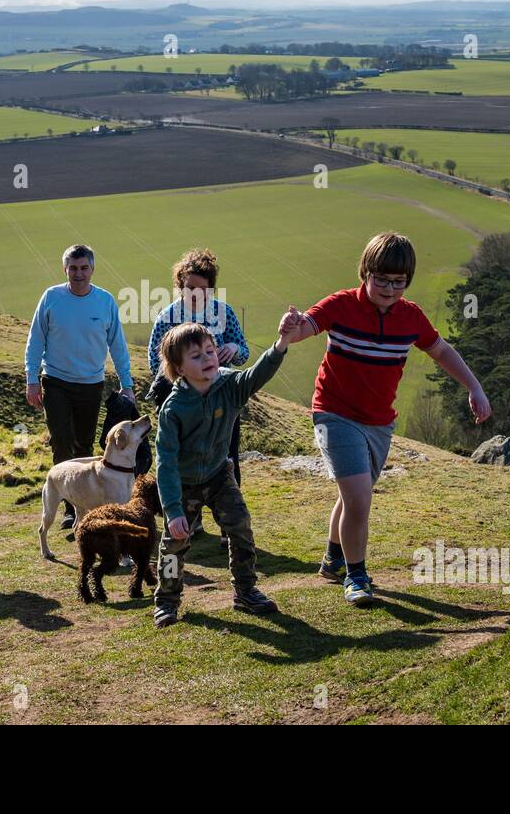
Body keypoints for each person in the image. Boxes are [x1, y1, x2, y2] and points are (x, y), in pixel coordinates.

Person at [284, 232, 491, 607]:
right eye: (382, 279)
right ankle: (356, 575)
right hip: (334, 413)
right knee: (360, 498)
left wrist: (474, 387)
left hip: (379, 422)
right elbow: (307, 327)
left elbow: (441, 350)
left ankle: (333, 557)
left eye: (399, 282)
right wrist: (292, 327)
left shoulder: (410, 317)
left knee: (352, 496)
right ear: (365, 272)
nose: (390, 289)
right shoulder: (341, 305)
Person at [150, 313, 299, 628]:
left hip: (219, 475)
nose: (207, 358)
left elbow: (258, 374)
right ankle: (167, 601)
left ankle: (245, 591)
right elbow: (165, 462)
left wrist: (282, 342)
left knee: (240, 525)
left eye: (210, 350)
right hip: (185, 484)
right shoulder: (173, 409)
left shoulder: (230, 385)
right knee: (174, 543)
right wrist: (174, 510)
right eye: (196, 355)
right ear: (178, 369)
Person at [25, 244, 135, 529]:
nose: (79, 274)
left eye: (84, 268)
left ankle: (84, 506)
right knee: (61, 440)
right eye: (73, 268)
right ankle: (68, 508)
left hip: (90, 383)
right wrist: (32, 379)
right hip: (56, 380)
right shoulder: (51, 297)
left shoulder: (105, 301)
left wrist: (127, 384)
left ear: (92, 269)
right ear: (65, 270)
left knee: (83, 444)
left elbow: (118, 346)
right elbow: (35, 340)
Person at [147, 249, 249, 547]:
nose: (195, 294)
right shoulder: (168, 317)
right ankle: (188, 521)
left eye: (202, 289)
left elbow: (244, 351)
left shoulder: (224, 312)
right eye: (189, 288)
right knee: (180, 459)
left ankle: (230, 525)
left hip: (221, 400)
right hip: (182, 403)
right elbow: (156, 363)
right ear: (179, 286)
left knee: (227, 457)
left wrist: (232, 348)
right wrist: (184, 381)